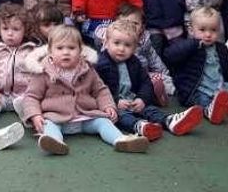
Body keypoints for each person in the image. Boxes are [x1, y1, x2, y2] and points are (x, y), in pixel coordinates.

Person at [21, 26, 149, 155]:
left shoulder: (87, 69)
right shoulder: (43, 72)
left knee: (104, 122)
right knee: (47, 125)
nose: (66, 52)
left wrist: (108, 106)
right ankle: (55, 142)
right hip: (56, 117)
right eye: (59, 48)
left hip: (86, 115)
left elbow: (100, 90)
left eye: (71, 48)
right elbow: (31, 96)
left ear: (80, 50)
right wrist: (35, 115)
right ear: (50, 51)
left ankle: (120, 140)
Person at [95, 21, 202, 141]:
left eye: (127, 45)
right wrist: (115, 101)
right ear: (106, 43)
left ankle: (169, 121)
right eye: (116, 43)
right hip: (113, 105)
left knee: (150, 109)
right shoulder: (101, 64)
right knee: (121, 116)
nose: (121, 48)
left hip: (132, 99)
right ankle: (140, 126)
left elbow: (145, 83)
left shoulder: (134, 62)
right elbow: (97, 89)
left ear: (135, 47)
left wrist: (142, 99)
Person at [164, 7, 228, 124]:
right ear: (191, 30)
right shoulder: (189, 47)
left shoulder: (221, 48)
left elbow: (226, 69)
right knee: (203, 100)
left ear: (219, 30)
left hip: (219, 86)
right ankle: (209, 110)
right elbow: (169, 55)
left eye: (213, 30)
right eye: (202, 30)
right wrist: (193, 44)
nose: (208, 34)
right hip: (198, 89)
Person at [95, 5, 175, 106]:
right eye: (125, 23)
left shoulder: (145, 42)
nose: (130, 27)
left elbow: (154, 59)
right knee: (150, 85)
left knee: (161, 79)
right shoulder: (111, 40)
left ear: (142, 27)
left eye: (135, 24)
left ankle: (172, 94)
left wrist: (164, 73)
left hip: (142, 73)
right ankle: (155, 97)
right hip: (119, 79)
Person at [0, 3, 38, 121]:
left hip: (23, 94)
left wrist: (32, 91)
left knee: (32, 104)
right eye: (5, 29)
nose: (10, 33)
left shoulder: (32, 51)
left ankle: (28, 118)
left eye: (15, 29)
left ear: (25, 30)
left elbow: (37, 75)